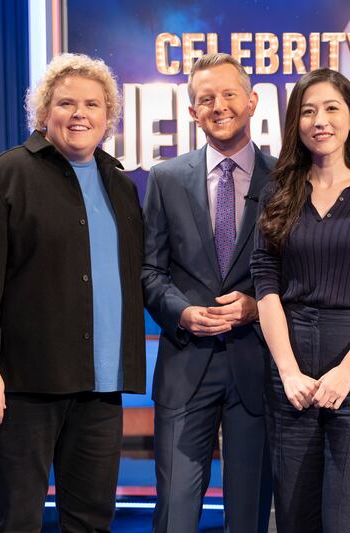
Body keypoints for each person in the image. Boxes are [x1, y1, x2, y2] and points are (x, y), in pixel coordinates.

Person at [0, 53, 146, 531]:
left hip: (100, 387)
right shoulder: (0, 178)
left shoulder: (120, 185)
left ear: (108, 116)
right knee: (19, 519)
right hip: (23, 385)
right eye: (66, 103)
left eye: (93, 104)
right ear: (43, 113)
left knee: (92, 520)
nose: (80, 114)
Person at [251, 68, 350, 533]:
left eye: (332, 108)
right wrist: (287, 372)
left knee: (348, 519)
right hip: (290, 366)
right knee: (296, 517)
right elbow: (265, 284)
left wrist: (346, 371)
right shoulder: (277, 193)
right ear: (295, 124)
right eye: (308, 110)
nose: (320, 120)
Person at [142, 53, 274, 532]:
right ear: (193, 111)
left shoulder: (285, 181)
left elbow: (302, 277)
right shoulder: (166, 178)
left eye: (228, 94)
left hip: (257, 367)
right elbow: (149, 271)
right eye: (205, 99)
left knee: (249, 516)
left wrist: (257, 307)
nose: (218, 106)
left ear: (253, 101)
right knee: (174, 514)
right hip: (185, 363)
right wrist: (183, 313)